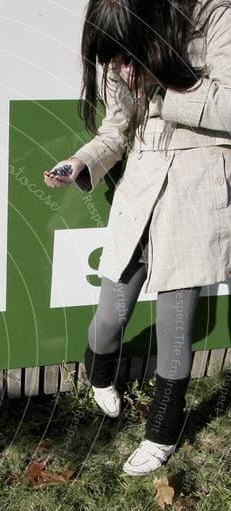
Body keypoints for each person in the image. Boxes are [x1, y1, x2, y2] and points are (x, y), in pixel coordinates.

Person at [44, 0, 231, 475]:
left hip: (197, 186)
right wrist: (81, 161)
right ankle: (100, 376)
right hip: (141, 183)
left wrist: (158, 86)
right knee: (111, 314)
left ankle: (163, 433)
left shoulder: (216, 14)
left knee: (175, 328)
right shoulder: (122, 44)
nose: (120, 63)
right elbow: (116, 127)